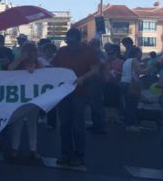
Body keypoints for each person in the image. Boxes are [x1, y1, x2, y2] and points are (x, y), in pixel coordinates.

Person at [51, 28, 100, 167]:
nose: (69, 45)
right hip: (63, 93)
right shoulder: (62, 51)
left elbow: (95, 69)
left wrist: (83, 78)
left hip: (80, 92)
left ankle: (79, 155)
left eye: (72, 42)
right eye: (67, 42)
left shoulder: (89, 51)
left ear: (79, 40)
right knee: (64, 124)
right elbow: (54, 67)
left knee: (78, 125)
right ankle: (65, 153)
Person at [8, 42, 42, 159]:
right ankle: (14, 147)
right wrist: (21, 59)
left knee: (32, 124)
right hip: (20, 98)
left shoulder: (39, 64)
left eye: (35, 50)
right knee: (18, 123)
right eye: (31, 50)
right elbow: (9, 69)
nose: (34, 53)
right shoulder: (19, 62)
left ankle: (33, 148)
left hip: (34, 99)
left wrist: (35, 72)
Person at [120, 46, 146, 133]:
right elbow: (139, 72)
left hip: (124, 83)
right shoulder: (135, 60)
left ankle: (127, 123)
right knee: (132, 105)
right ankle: (130, 125)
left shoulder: (127, 61)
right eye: (140, 53)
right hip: (131, 84)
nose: (141, 55)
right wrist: (149, 69)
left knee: (127, 104)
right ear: (136, 53)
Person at [86, 38, 107, 134]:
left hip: (95, 81)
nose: (88, 45)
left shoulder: (96, 53)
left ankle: (99, 126)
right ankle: (97, 125)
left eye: (90, 43)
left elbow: (101, 64)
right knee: (95, 103)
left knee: (95, 103)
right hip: (97, 80)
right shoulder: (99, 53)